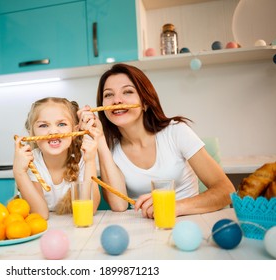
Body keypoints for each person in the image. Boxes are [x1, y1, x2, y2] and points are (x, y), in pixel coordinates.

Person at [78, 63, 236, 218]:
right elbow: (119, 205)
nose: (117, 100)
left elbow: (226, 191)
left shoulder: (176, 132)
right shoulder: (110, 148)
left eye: (127, 92)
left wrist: (174, 206)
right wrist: (100, 140)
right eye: (108, 95)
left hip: (189, 223)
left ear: (145, 102)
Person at [13, 97, 100, 220]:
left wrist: (90, 161)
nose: (53, 131)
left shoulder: (83, 157)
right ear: (32, 133)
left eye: (61, 124)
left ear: (74, 131)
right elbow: (40, 215)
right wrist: (19, 172)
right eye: (43, 125)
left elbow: (90, 210)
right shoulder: (31, 162)